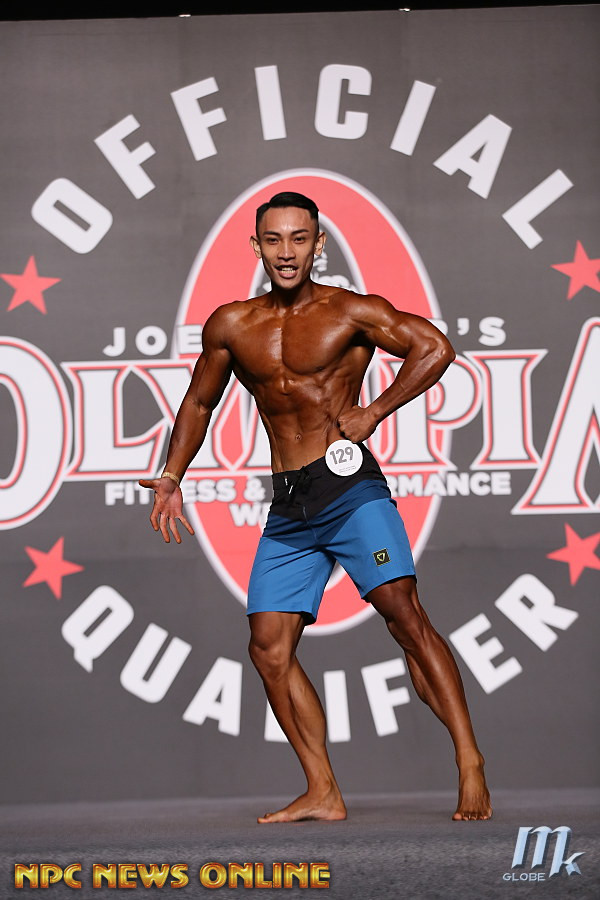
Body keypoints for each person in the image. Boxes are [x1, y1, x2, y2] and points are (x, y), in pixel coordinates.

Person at [140, 191, 492, 823]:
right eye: (274, 240)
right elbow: (199, 402)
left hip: (349, 491)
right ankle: (323, 789)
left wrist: (375, 410)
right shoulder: (232, 325)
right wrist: (171, 475)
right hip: (290, 505)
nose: (287, 252)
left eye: (299, 239)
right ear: (256, 247)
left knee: (405, 617)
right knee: (268, 647)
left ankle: (469, 759)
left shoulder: (350, 311)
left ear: (318, 244)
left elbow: (435, 347)